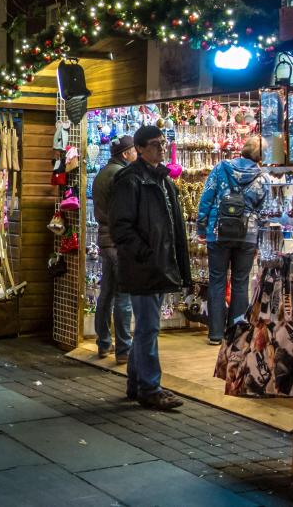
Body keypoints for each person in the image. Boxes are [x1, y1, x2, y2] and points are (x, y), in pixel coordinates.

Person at [109, 125, 191, 411]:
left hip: (157, 263)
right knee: (148, 328)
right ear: (140, 148)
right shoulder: (131, 180)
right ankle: (150, 387)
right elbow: (121, 226)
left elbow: (171, 226)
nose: (162, 148)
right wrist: (145, 253)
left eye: (163, 143)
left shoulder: (162, 180)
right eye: (155, 144)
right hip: (143, 266)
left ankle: (137, 384)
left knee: (146, 327)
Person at [197, 136, 269, 345]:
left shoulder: (221, 169)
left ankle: (215, 334)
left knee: (217, 281)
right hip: (248, 234)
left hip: (219, 232)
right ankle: (236, 333)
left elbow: (206, 198)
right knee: (240, 282)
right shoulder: (262, 177)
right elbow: (265, 210)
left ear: (243, 149)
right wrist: (259, 239)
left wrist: (202, 227)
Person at [91, 135, 137, 364]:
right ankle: (123, 349)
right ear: (126, 153)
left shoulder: (102, 173)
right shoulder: (121, 175)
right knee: (123, 296)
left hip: (105, 238)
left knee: (106, 294)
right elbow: (124, 210)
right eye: (134, 151)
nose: (136, 154)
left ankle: (103, 344)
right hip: (118, 241)